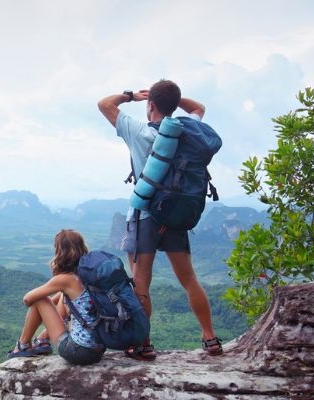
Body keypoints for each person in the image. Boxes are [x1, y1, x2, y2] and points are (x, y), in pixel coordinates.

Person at [96, 80, 223, 360]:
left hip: (146, 215)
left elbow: (104, 104)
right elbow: (199, 108)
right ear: (172, 105)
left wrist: (132, 96)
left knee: (141, 282)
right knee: (189, 279)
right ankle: (210, 337)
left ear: (150, 105)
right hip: (175, 213)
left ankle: (143, 344)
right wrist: (172, 100)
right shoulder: (187, 130)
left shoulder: (140, 131)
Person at [7, 229, 106, 365]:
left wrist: (43, 307)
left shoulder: (66, 279)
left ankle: (22, 345)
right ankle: (42, 340)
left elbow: (28, 299)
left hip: (77, 352)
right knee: (61, 295)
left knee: (40, 299)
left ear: (60, 252)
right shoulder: (88, 275)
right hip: (97, 351)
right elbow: (62, 299)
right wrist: (49, 308)